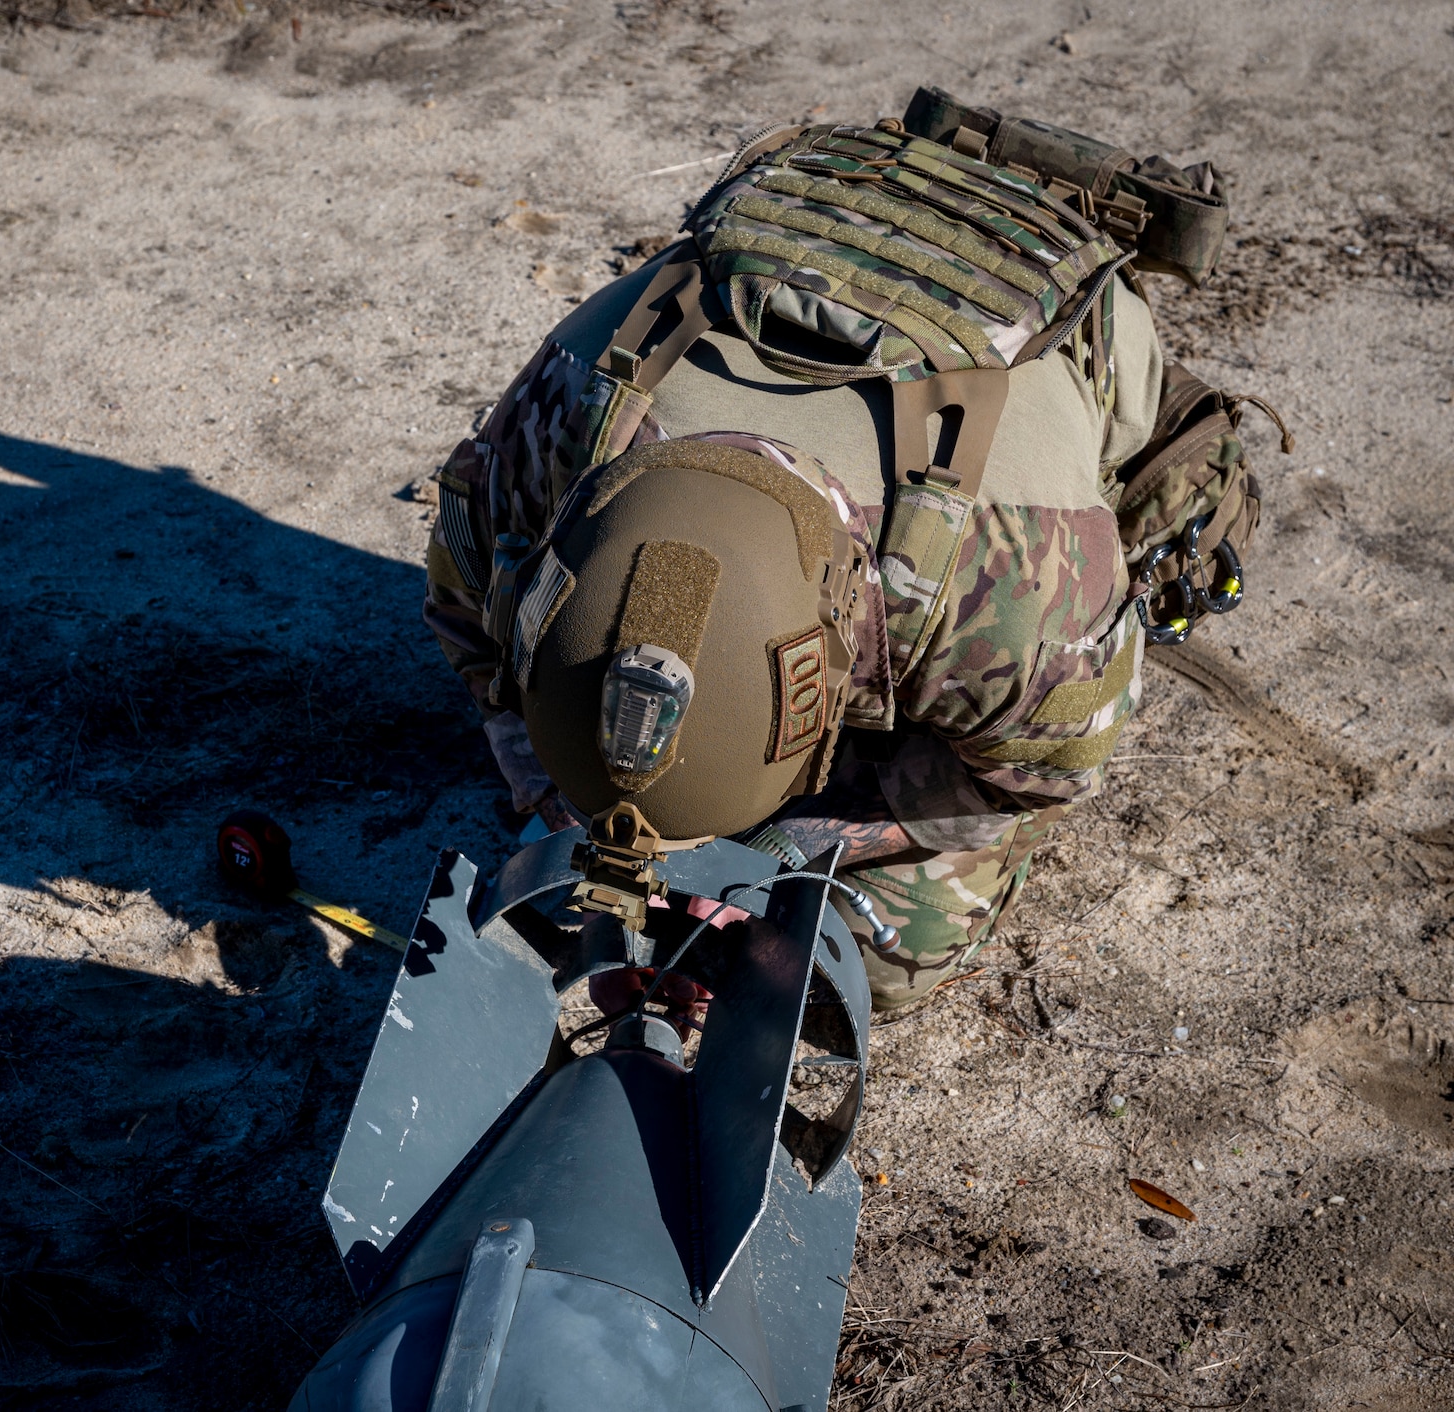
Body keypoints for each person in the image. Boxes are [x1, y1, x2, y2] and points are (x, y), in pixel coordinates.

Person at [422, 97, 1279, 1012]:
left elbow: (1035, 778)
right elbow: (467, 615)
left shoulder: (1020, 594)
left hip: (1050, 341)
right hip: (817, 242)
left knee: (852, 964)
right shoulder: (558, 431)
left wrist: (801, 842)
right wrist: (559, 799)